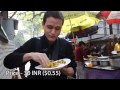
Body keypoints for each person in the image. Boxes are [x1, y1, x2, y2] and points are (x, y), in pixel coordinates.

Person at [3, 11, 77, 79]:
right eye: (49, 27)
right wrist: (31, 55)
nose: (53, 32)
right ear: (43, 25)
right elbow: (7, 62)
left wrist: (60, 67)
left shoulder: (67, 45)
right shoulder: (33, 42)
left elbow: (73, 71)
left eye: (57, 28)